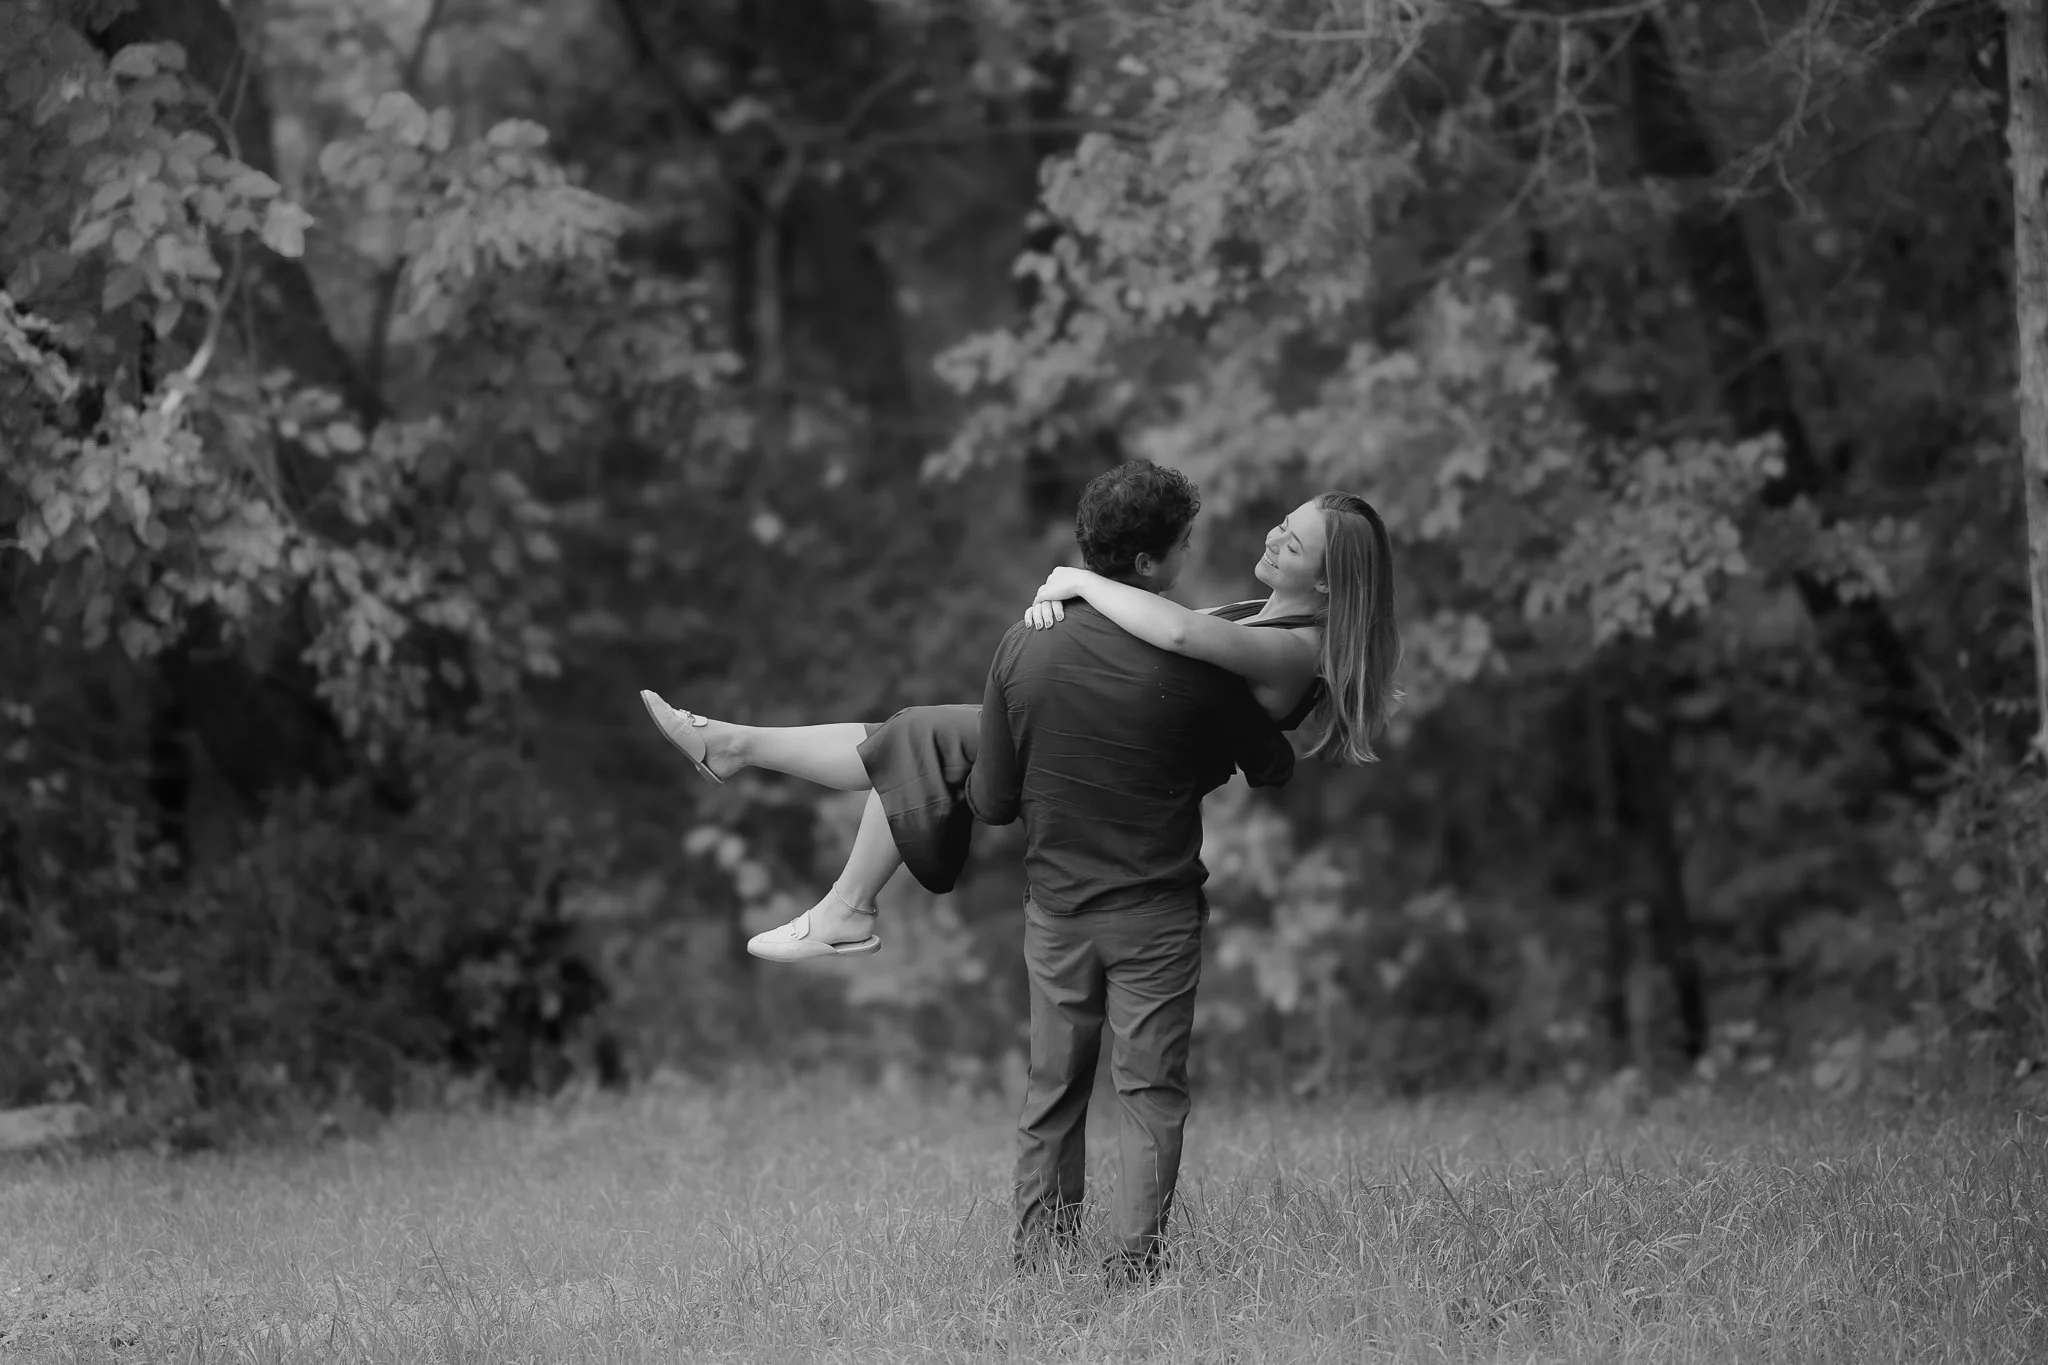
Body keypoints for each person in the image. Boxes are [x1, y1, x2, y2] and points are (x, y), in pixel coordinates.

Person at [638, 473, 1402, 964]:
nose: (1272, 535)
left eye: (1292, 541)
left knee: (919, 736)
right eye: (1283, 522)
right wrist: (1069, 608)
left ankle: (827, 876)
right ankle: (749, 768)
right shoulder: (1260, 613)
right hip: (1108, 727)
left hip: (1125, 760)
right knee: (914, 734)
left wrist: (1075, 580)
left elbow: (1171, 633)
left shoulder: (1296, 651)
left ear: (1330, 582)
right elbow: (1145, 631)